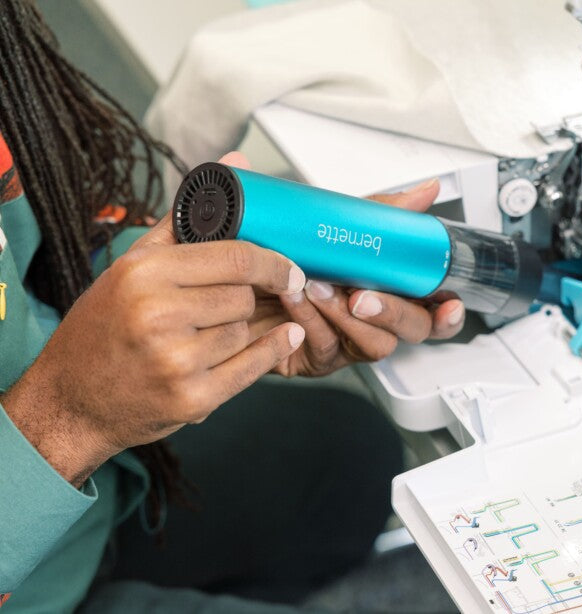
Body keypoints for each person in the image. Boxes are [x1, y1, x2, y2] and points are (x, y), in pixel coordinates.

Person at [0, 1, 465, 612]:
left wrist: (195, 279)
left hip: (98, 487)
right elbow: (65, 417)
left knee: (355, 456)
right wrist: (69, 418)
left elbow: (33, 249)